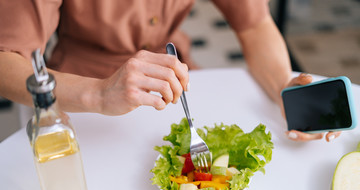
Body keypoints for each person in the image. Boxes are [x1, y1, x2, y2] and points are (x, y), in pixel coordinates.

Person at [0, 0, 340, 142]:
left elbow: (253, 24)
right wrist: (99, 93)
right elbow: (4, 60)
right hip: (79, 89)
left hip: (177, 74)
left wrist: (283, 84)